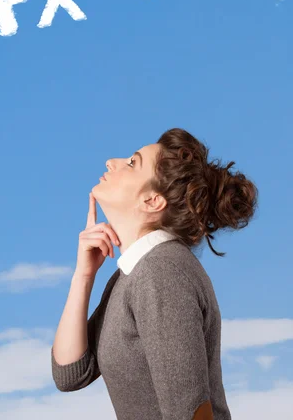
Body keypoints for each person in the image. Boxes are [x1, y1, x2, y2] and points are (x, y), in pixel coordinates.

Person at [51, 127, 259, 420]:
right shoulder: (135, 273)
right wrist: (83, 276)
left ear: (152, 201)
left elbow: (191, 412)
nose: (111, 161)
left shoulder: (162, 273)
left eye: (132, 163)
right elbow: (70, 373)